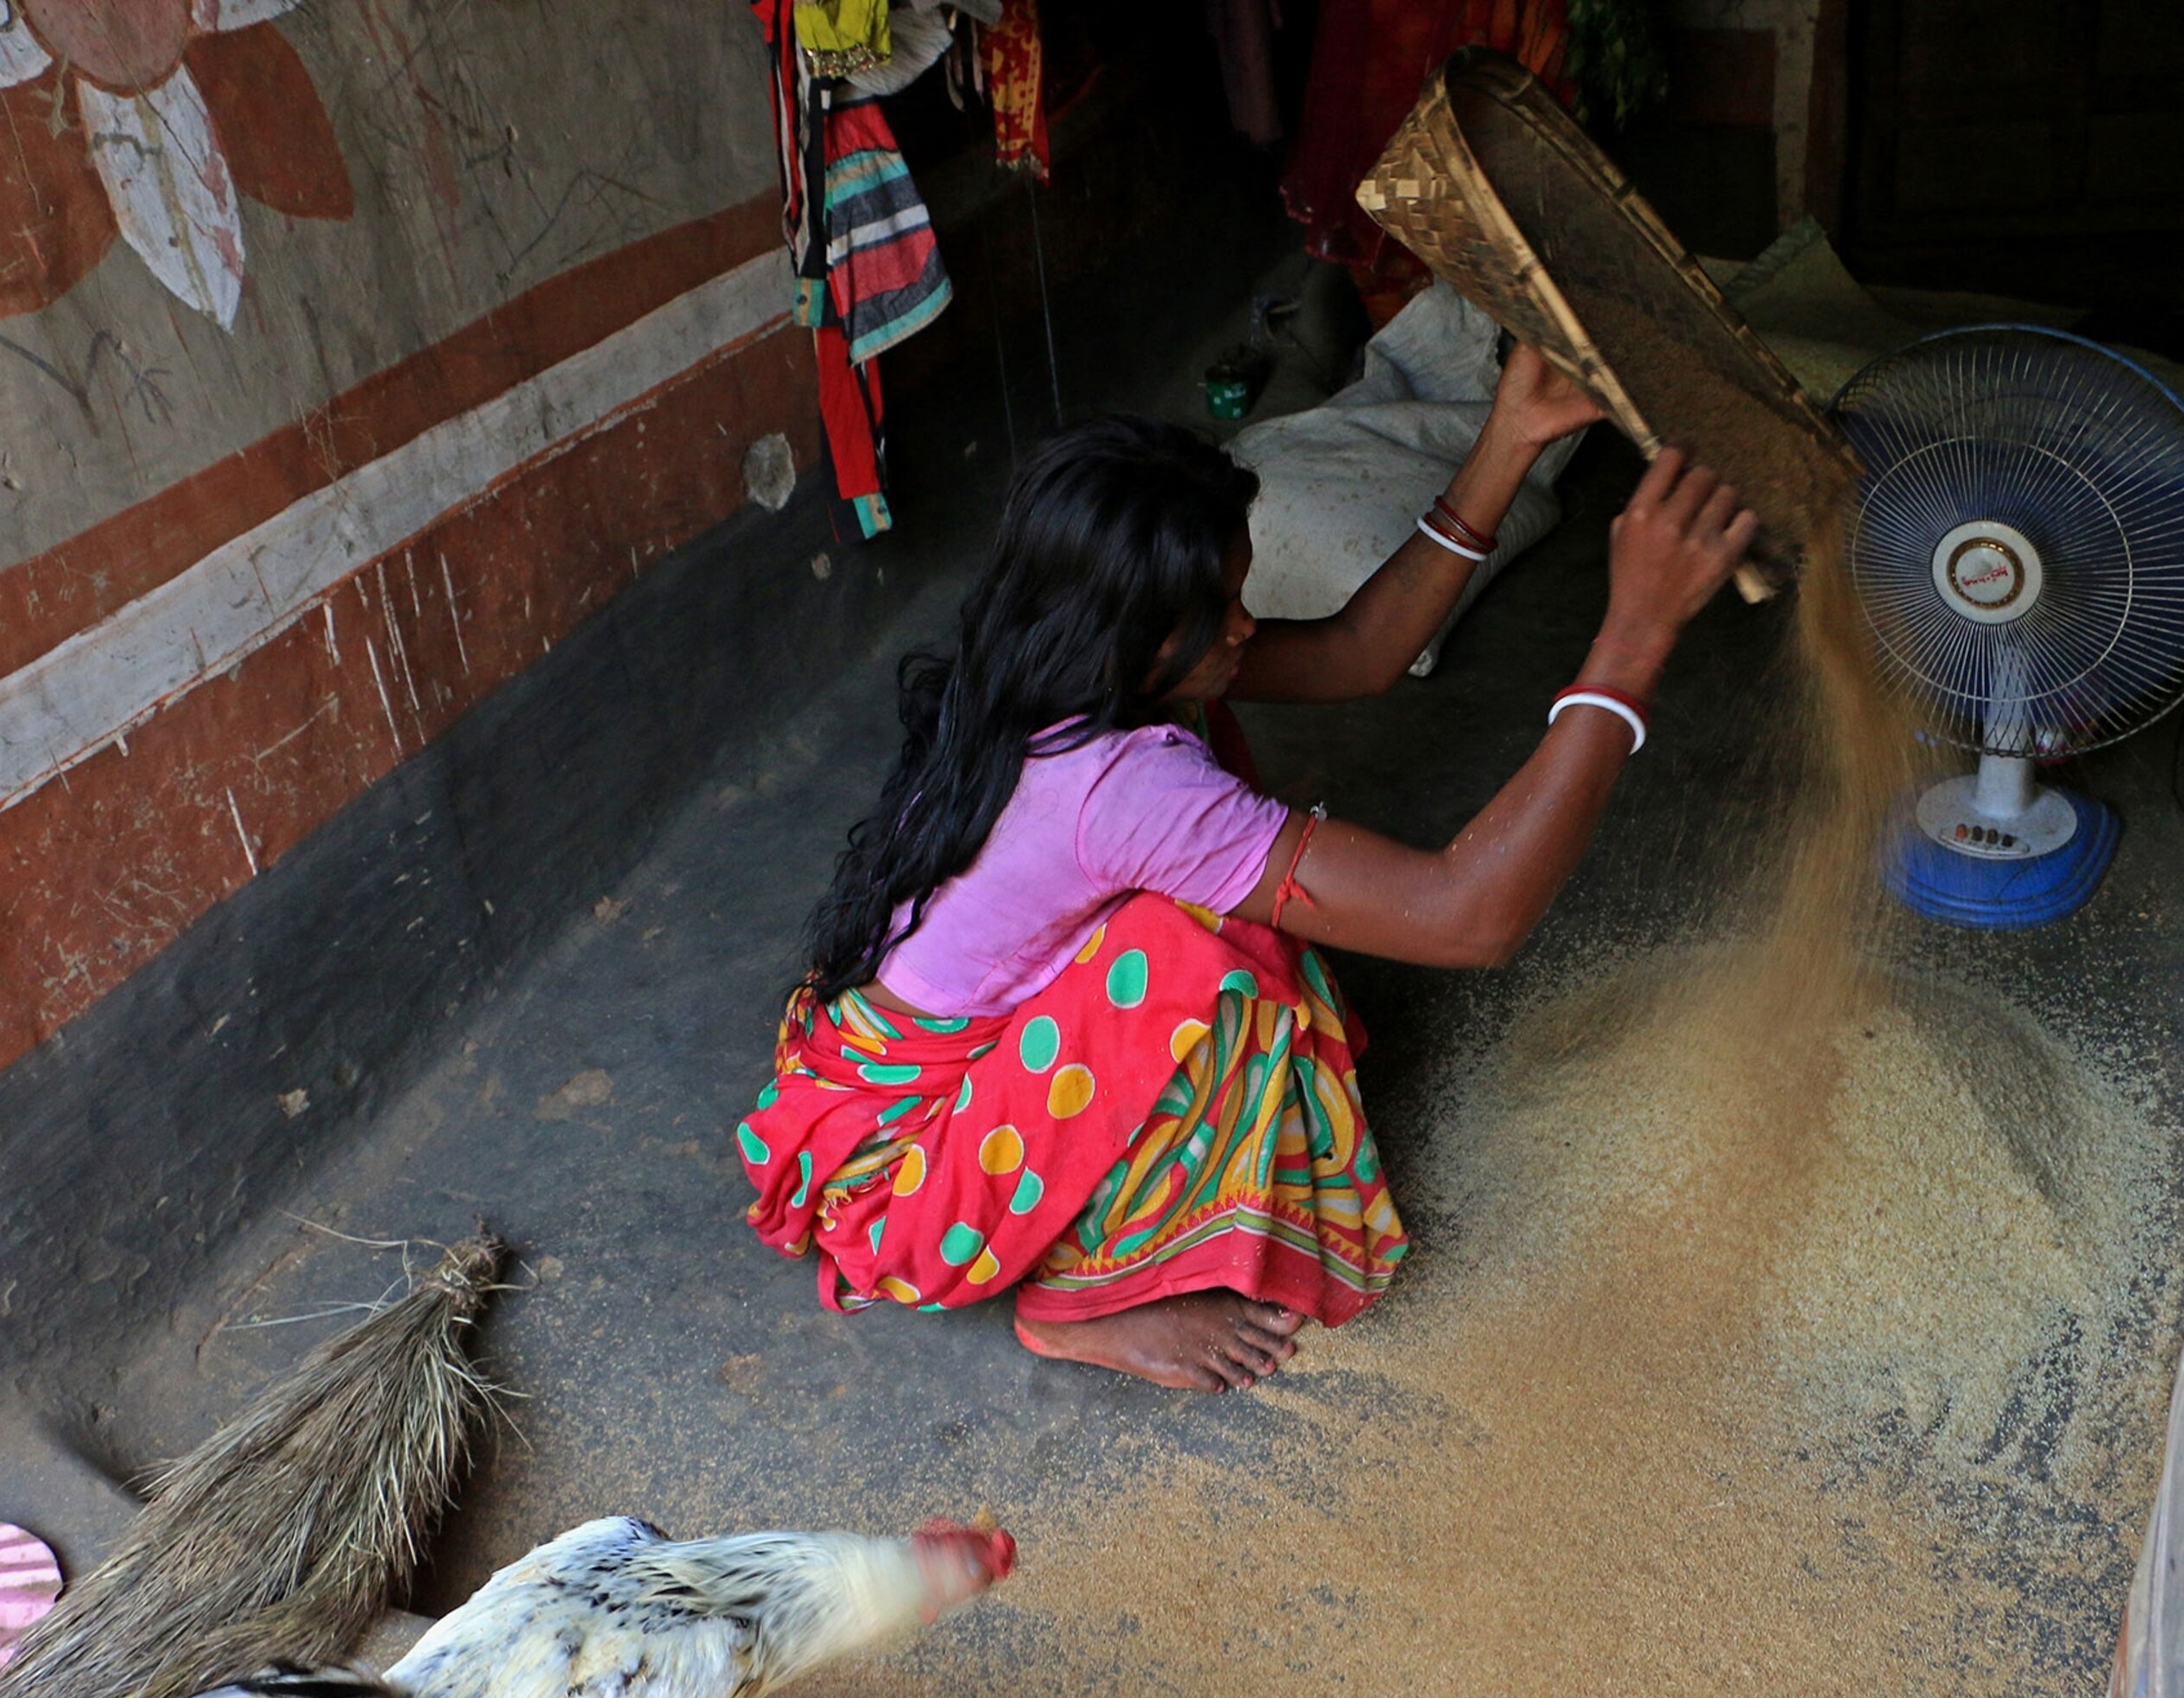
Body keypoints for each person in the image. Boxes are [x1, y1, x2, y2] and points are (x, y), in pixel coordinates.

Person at [736, 342, 1757, 1393]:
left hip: (864, 1092)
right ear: (1131, 628)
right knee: (1223, 950)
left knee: (1232, 905)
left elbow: (1360, 652)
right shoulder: (1120, 788)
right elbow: (1469, 915)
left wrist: (1507, 441)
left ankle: (1075, 1208)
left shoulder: (1062, 663)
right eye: (1220, 604)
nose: (1245, 622)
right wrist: (1630, 642)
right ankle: (1075, 1298)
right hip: (909, 1184)